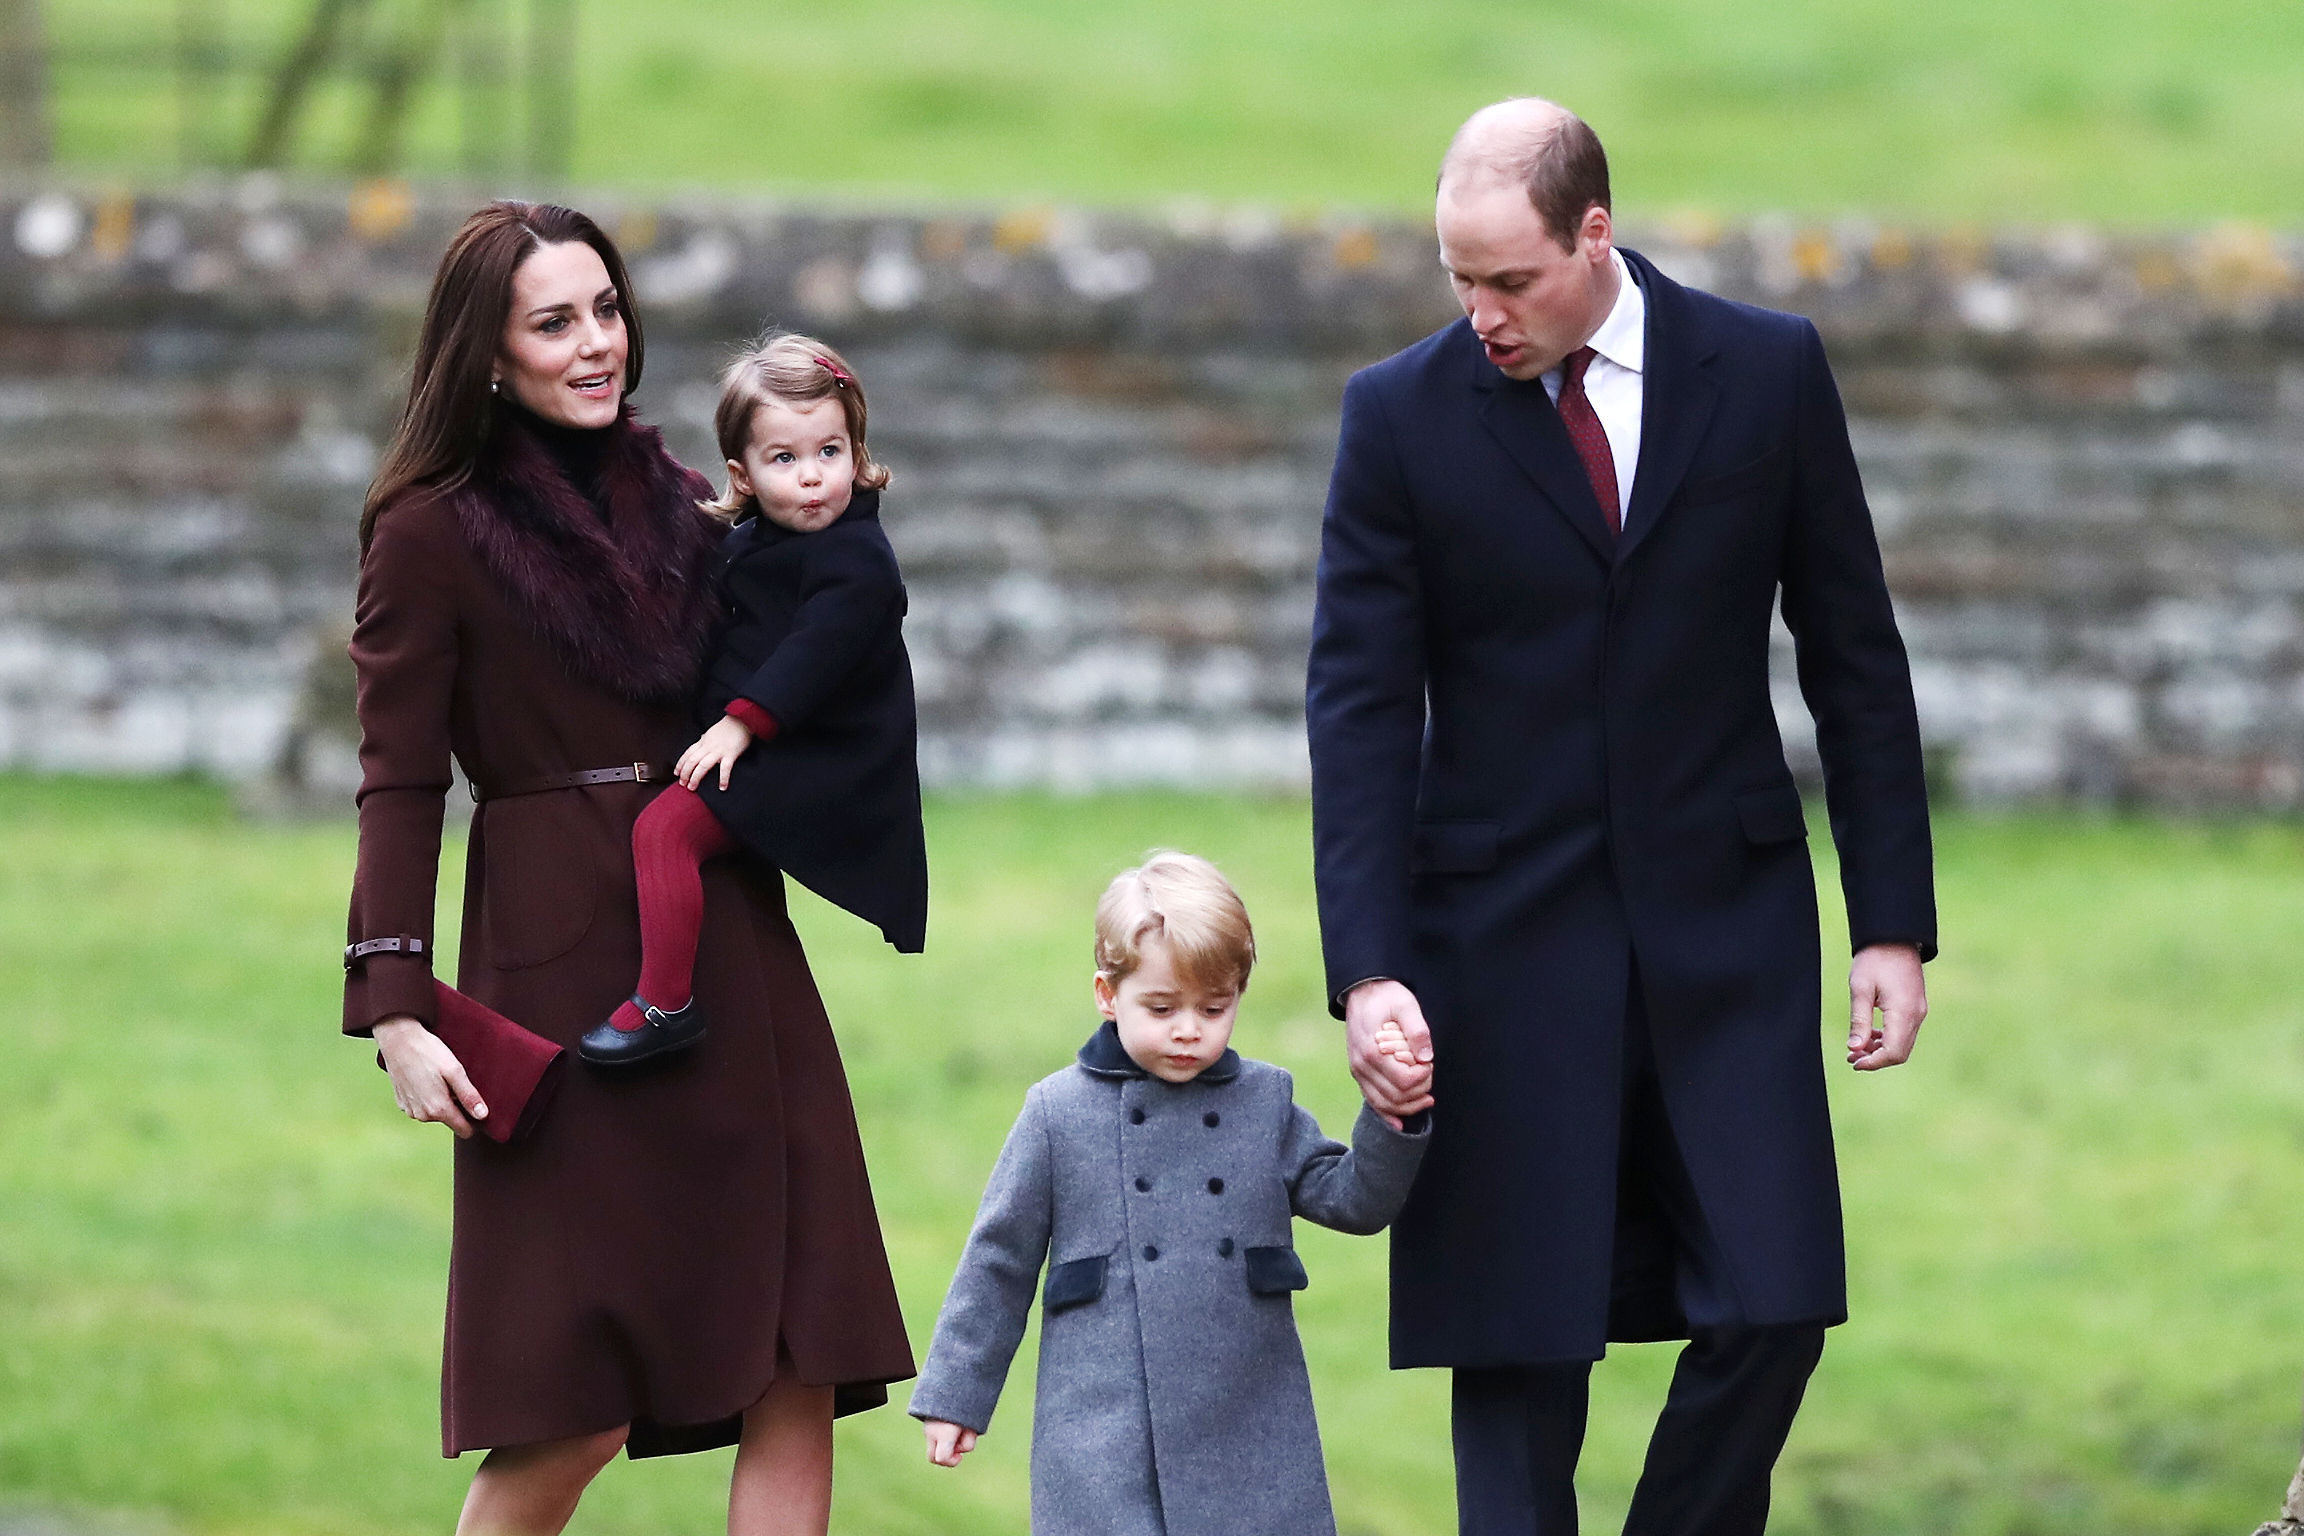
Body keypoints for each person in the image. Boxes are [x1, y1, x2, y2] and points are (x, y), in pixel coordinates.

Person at [1305, 99, 1938, 1536]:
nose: (1480, 313)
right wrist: (1370, 965)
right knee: (1520, 1348)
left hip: (1728, 931)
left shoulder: (1766, 373)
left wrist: (1891, 921)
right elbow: (1355, 707)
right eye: (1458, 279)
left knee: (1776, 1305)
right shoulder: (1396, 415)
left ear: (1597, 233)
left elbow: (1853, 655)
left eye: (1510, 280)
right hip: (1496, 942)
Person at [344, 201, 912, 1536]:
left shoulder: (694, 500)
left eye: (606, 308)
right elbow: (398, 778)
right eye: (555, 321)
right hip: (554, 971)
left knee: (794, 1360)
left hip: (728, 946)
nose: (596, 342)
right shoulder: (428, 532)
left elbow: (827, 646)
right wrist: (395, 1007)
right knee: (574, 1397)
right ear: (488, 353)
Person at [907, 852, 1432, 1536]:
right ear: (1107, 994)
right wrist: (957, 1397)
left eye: (1214, 1008)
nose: (1189, 1029)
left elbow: (1354, 1201)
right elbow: (998, 1262)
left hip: (1249, 1416)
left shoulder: (1265, 1102)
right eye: (1161, 1007)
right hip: (1102, 1425)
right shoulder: (1056, 1112)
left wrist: (1392, 1117)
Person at [577, 331, 928, 1067]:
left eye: (830, 453)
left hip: (818, 760)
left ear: (857, 453)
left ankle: (665, 1004)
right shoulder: (751, 541)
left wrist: (739, 725)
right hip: (772, 744)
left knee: (665, 832)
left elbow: (815, 653)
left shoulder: (858, 559)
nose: (812, 478)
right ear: (742, 474)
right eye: (785, 459)